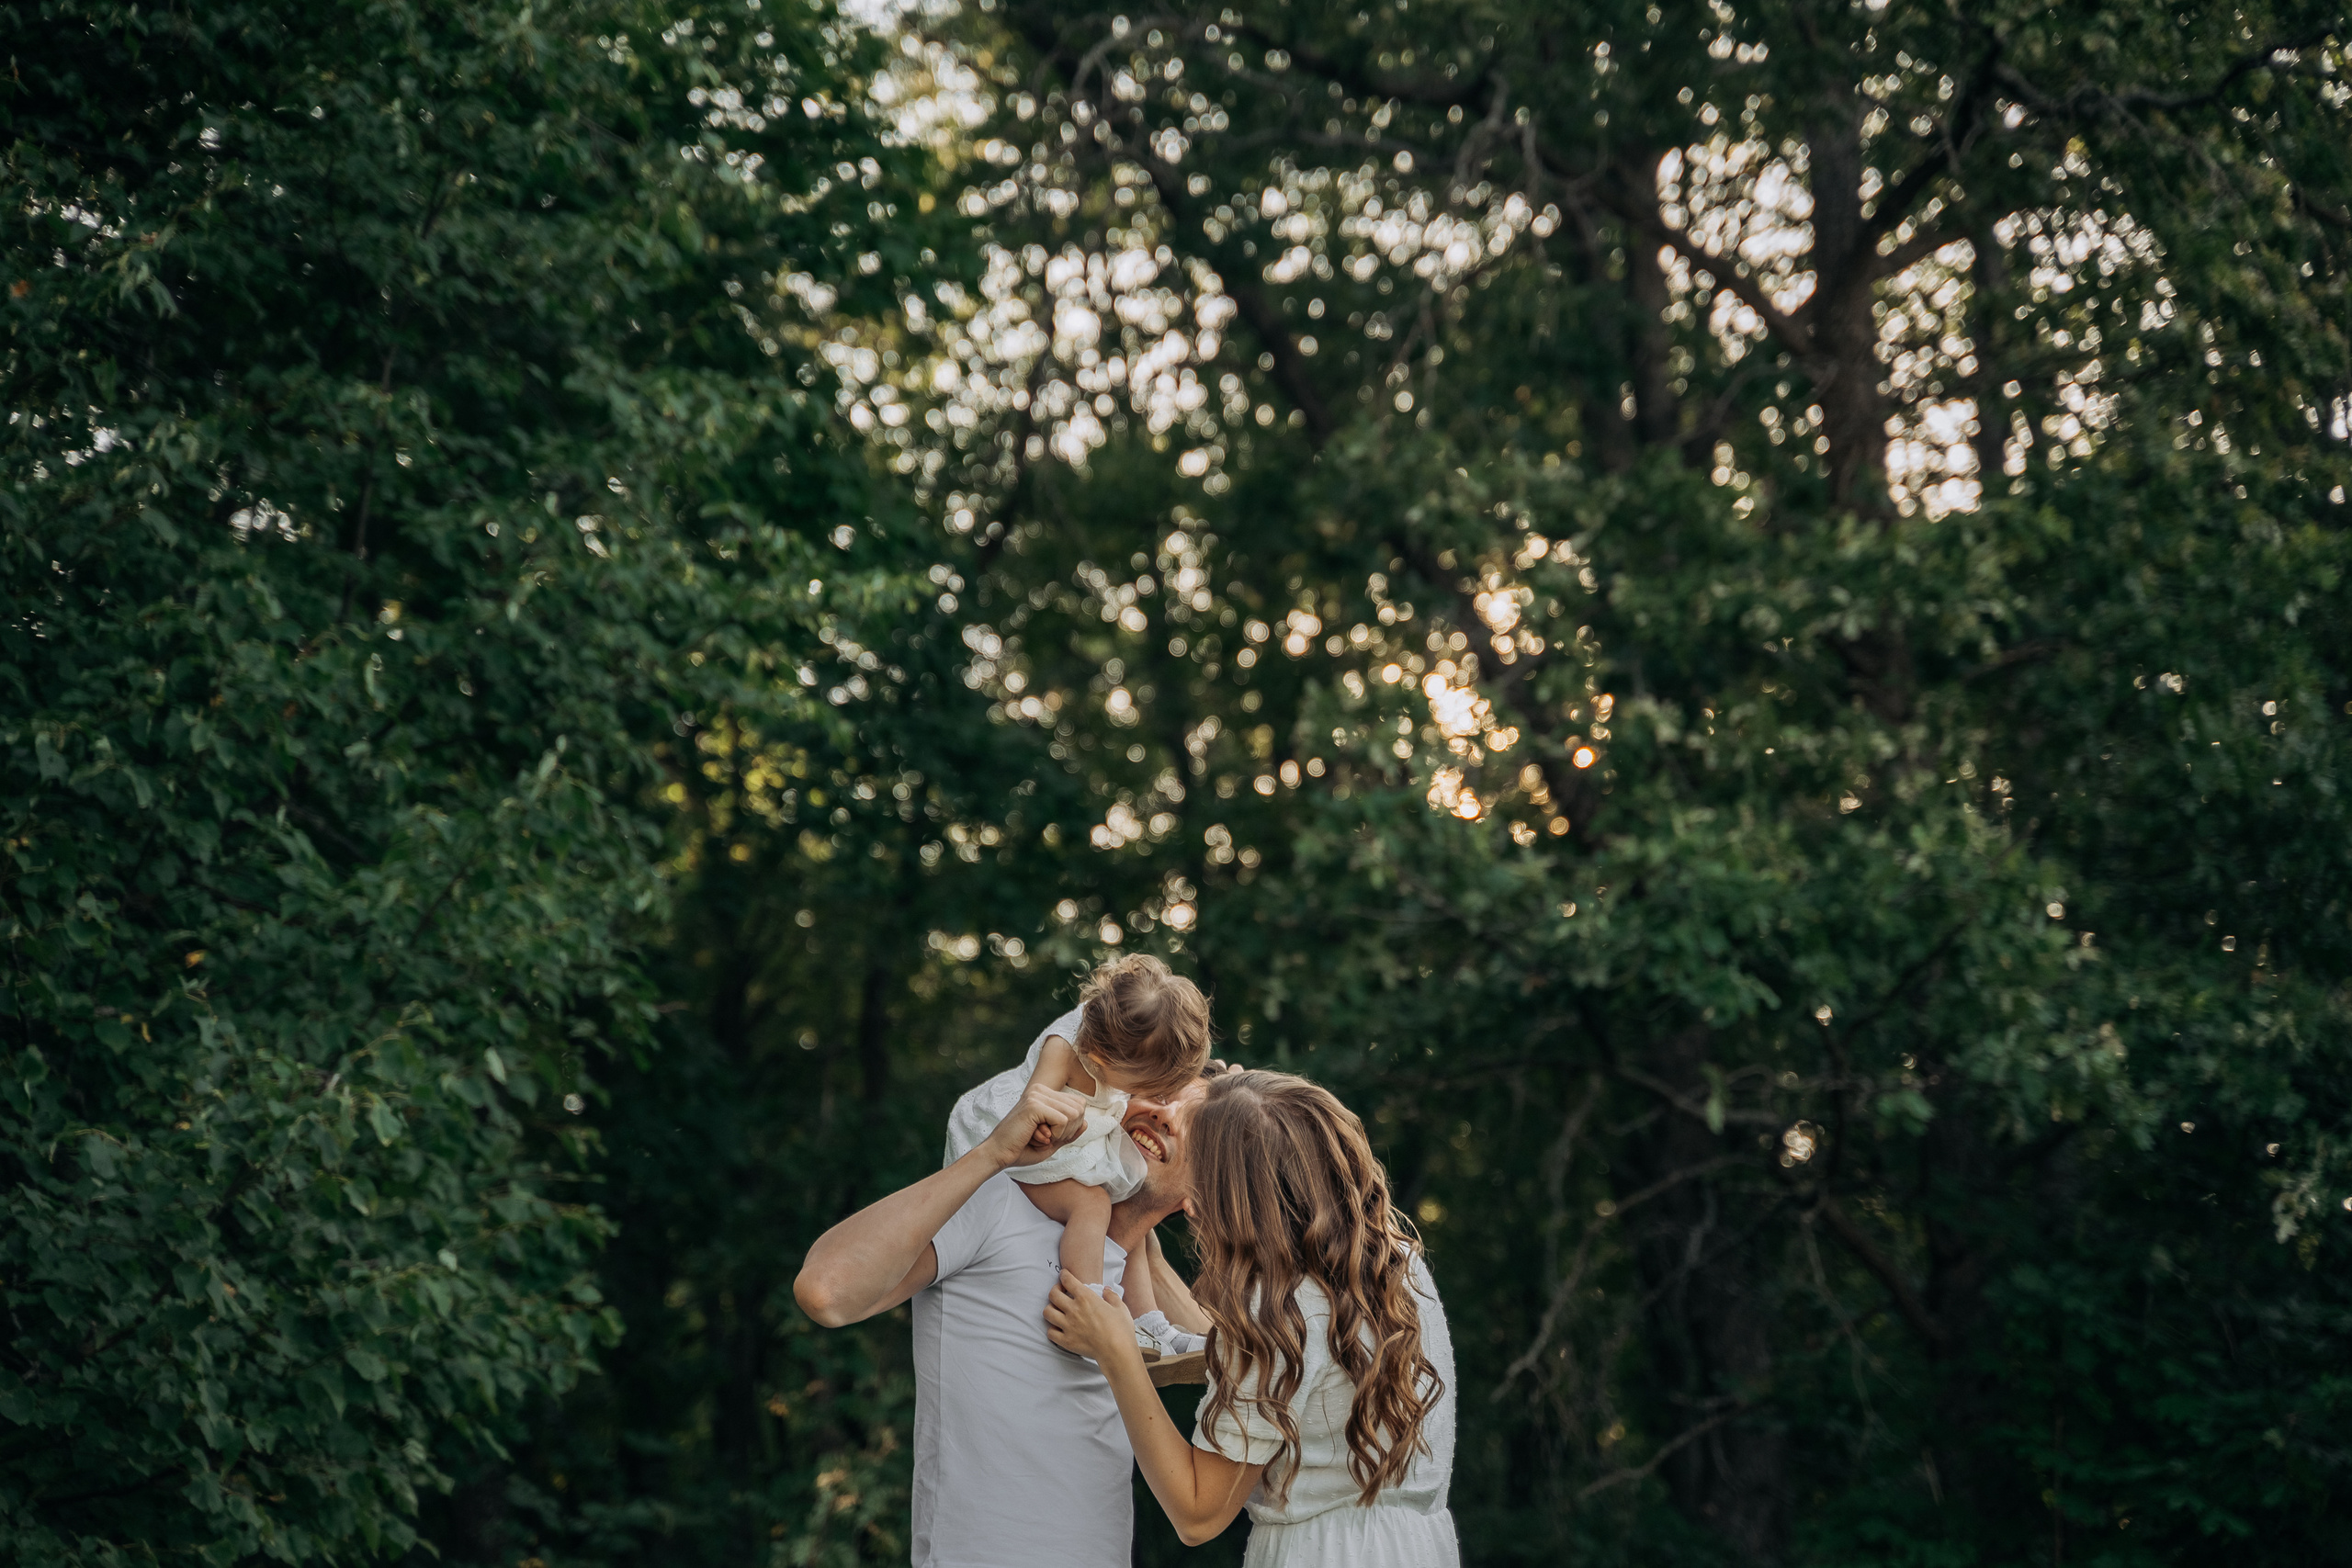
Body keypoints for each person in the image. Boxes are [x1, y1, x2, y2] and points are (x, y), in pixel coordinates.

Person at [793, 1056, 1214, 1568]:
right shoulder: (1002, 1200)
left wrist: (1144, 1236)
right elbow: (825, 1292)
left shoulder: (1133, 1284)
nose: (1167, 1115)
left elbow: (1235, 1364)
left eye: (1198, 1124)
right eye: (1163, 1092)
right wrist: (992, 1154)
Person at [1045, 1069, 1459, 1566]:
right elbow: (1258, 1368)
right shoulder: (1389, 1263)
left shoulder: (1280, 1311)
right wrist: (1147, 1256)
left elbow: (1199, 1513)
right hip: (1412, 1547)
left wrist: (1117, 1356)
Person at [944, 955, 1210, 1353]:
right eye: (1153, 1089)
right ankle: (1090, 1306)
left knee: (1127, 1186)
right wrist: (1052, 1127)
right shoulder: (1063, 1051)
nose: (1159, 1103)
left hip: (1080, 1136)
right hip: (1022, 1148)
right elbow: (1028, 1118)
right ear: (1105, 1061)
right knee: (1093, 1203)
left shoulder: (1125, 1026)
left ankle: (1150, 1323)